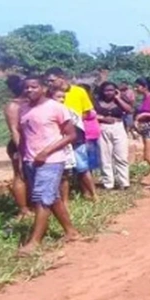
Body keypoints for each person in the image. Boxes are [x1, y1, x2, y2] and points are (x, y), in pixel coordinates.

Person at [18, 76, 80, 254]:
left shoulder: (56, 108)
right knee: (52, 197)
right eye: (27, 88)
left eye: (33, 87)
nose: (29, 90)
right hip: (31, 160)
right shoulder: (24, 110)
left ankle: (35, 241)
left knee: (42, 198)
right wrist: (22, 159)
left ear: (44, 88)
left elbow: (70, 135)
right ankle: (71, 231)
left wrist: (46, 152)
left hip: (51, 160)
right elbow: (24, 137)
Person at [45, 68, 97, 201]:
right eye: (48, 81)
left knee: (82, 167)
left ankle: (92, 194)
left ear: (61, 77)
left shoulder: (79, 91)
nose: (49, 83)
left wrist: (74, 120)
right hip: (57, 137)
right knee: (64, 171)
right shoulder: (46, 95)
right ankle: (65, 200)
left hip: (76, 135)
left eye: (52, 80)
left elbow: (87, 111)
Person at [94, 82, 132, 190]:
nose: (109, 92)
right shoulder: (97, 102)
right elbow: (91, 113)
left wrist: (118, 98)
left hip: (118, 127)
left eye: (111, 90)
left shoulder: (120, 101)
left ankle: (124, 183)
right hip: (103, 128)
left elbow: (129, 110)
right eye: (106, 90)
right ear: (102, 91)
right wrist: (102, 118)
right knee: (105, 156)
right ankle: (108, 183)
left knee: (121, 156)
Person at [3, 75, 31, 219]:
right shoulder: (13, 106)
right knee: (20, 174)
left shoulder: (32, 102)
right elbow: (14, 130)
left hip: (36, 143)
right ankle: (23, 209)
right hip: (19, 144)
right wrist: (21, 151)